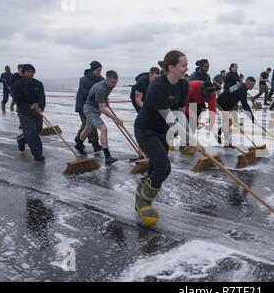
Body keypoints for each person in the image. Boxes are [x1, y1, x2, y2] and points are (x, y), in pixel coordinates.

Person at [134, 50, 205, 226]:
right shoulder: (157, 87)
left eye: (187, 65)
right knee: (164, 169)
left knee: (155, 167)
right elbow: (171, 119)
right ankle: (143, 202)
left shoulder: (183, 85)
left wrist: (191, 137)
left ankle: (142, 195)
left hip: (162, 131)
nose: (186, 68)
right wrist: (191, 141)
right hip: (146, 130)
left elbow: (181, 115)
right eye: (183, 65)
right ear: (170, 67)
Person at [75, 70, 123, 164]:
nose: (114, 85)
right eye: (113, 82)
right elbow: (102, 109)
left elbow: (104, 96)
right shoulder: (100, 88)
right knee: (103, 129)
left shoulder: (109, 85)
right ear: (106, 80)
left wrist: (106, 99)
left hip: (95, 109)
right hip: (90, 111)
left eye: (116, 82)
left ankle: (79, 144)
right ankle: (107, 157)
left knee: (88, 129)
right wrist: (115, 118)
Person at [13, 64, 46, 162]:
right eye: (27, 71)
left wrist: (41, 107)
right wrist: (29, 107)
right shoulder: (18, 85)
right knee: (31, 133)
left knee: (38, 129)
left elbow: (42, 97)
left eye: (31, 72)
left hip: (36, 111)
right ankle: (38, 154)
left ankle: (21, 139)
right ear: (23, 73)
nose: (30, 73)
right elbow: (18, 100)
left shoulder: (38, 84)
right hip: (24, 112)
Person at [74, 61, 104, 154]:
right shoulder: (84, 79)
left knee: (88, 125)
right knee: (90, 125)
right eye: (97, 70)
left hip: (95, 106)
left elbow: (103, 91)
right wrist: (100, 99)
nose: (99, 72)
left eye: (100, 70)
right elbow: (88, 95)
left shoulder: (101, 79)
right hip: (84, 105)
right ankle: (95, 145)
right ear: (92, 70)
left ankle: (78, 139)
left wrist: (105, 99)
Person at [216, 77, 256, 145]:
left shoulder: (241, 85)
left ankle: (220, 133)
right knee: (228, 121)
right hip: (223, 103)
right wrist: (251, 116)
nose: (253, 86)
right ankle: (226, 142)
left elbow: (234, 93)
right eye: (252, 85)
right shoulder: (242, 90)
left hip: (227, 101)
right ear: (247, 83)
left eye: (254, 85)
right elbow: (245, 105)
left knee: (230, 122)